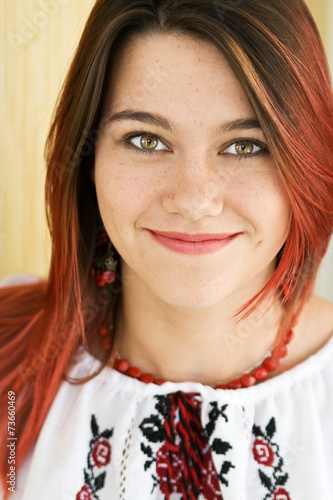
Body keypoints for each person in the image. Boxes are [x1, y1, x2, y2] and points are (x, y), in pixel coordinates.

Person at [1, 0, 333, 498]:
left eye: (246, 145)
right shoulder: (10, 355)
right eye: (145, 140)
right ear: (88, 159)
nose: (194, 200)